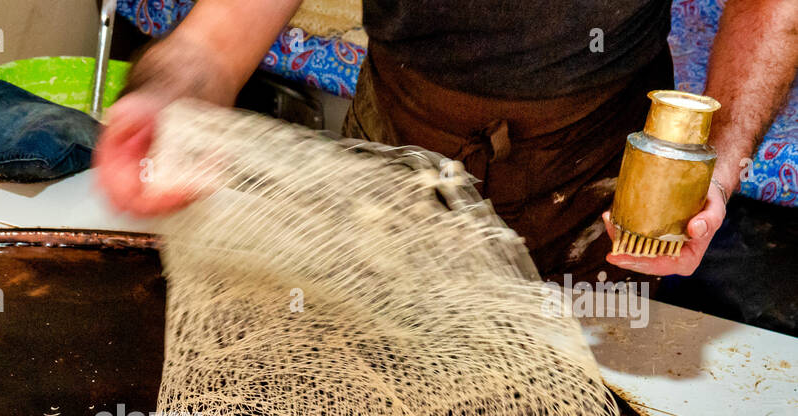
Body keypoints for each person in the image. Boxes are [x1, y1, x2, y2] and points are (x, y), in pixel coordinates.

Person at [95, 0, 798, 282]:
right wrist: (163, 101)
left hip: (603, 180)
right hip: (394, 148)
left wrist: (714, 167)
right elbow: (217, 39)